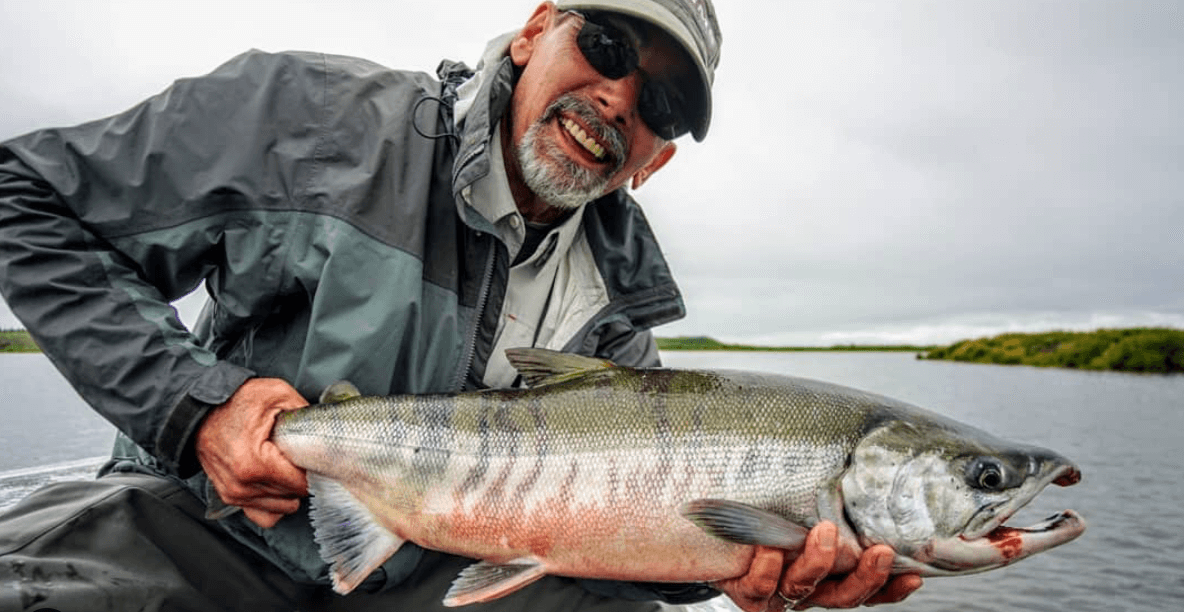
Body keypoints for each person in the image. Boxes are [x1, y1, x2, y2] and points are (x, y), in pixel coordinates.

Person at [0, 1, 922, 610]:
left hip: (432, 584)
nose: (617, 96)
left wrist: (746, 575)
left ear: (657, 157)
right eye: (603, 46)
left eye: (663, 102)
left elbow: (637, 545)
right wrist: (193, 407)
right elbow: (23, 200)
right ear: (533, 30)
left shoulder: (621, 321)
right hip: (202, 534)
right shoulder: (312, 120)